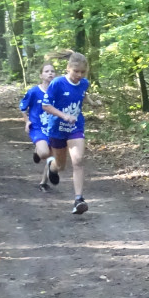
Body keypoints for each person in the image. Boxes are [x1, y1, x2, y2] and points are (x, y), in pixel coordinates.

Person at [41, 52, 91, 215]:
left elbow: (82, 96)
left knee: (78, 160)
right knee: (61, 165)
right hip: (57, 129)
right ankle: (52, 166)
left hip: (76, 127)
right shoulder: (57, 83)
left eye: (82, 72)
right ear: (68, 68)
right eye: (76, 71)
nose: (79, 75)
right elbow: (46, 106)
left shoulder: (84, 83)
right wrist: (63, 115)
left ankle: (79, 199)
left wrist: (91, 102)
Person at [20, 64, 56, 190]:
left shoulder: (58, 92)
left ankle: (43, 183)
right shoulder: (34, 92)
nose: (50, 73)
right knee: (46, 153)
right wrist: (27, 121)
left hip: (54, 128)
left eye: (52, 71)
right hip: (37, 127)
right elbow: (23, 107)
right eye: (46, 71)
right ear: (41, 75)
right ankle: (38, 151)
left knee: (52, 156)